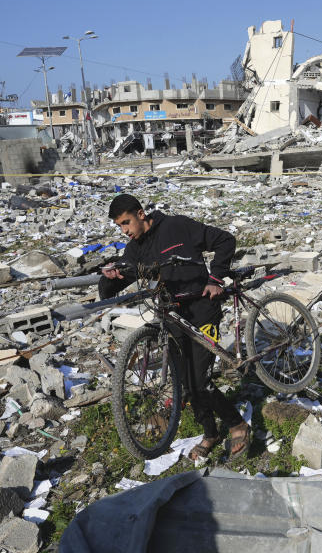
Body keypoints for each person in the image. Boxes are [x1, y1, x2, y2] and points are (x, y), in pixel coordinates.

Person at [99, 193, 251, 461]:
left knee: (199, 380)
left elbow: (225, 240)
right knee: (185, 383)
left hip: (203, 310)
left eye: (126, 223)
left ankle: (237, 424)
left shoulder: (178, 226)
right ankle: (210, 433)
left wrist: (215, 278)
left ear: (140, 214)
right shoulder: (135, 249)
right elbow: (118, 283)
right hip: (172, 316)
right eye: (119, 227)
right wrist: (110, 276)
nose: (125, 231)